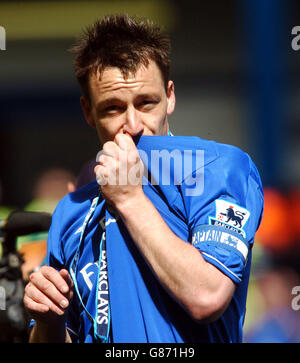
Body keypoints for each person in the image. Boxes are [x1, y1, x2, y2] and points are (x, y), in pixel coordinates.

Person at [23, 14, 264, 343]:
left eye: (146, 103)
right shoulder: (71, 210)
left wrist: (129, 199)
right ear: (87, 112)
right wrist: (48, 322)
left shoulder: (218, 168)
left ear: (170, 96)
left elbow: (207, 296)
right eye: (113, 108)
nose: (133, 124)